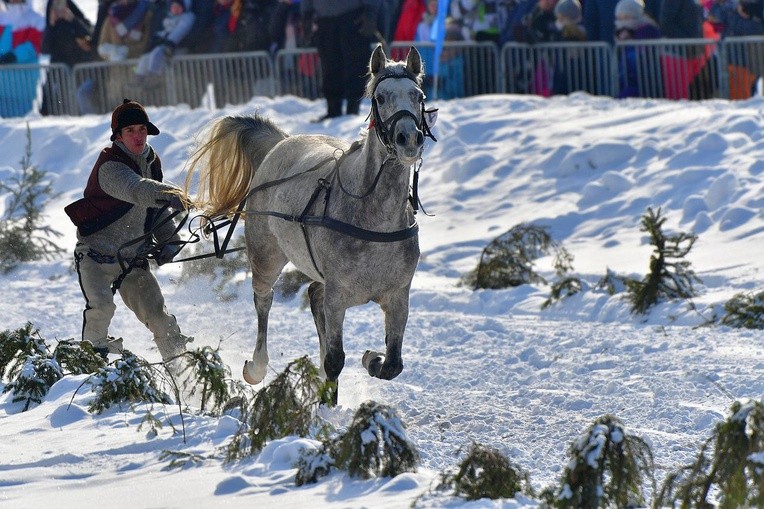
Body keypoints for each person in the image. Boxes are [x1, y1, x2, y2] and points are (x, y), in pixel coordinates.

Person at [65, 99, 192, 362]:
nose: (138, 136)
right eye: (130, 131)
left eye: (142, 129)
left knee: (159, 317)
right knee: (100, 309)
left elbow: (156, 210)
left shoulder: (152, 161)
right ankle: (91, 371)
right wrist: (171, 193)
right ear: (118, 136)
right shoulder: (110, 166)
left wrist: (170, 240)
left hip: (132, 259)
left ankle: (182, 367)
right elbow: (137, 190)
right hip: (95, 257)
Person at [301, 0, 380, 120]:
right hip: (324, 20)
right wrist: (306, 14)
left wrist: (370, 11)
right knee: (329, 66)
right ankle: (333, 109)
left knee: (355, 65)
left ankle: (353, 109)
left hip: (352, 17)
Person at [41, 0, 100, 115]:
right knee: (57, 104)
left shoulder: (76, 19)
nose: (59, 7)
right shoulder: (51, 27)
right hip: (58, 73)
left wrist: (73, 20)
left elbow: (90, 35)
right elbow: (44, 49)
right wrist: (51, 25)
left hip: (79, 71)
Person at [0, 0, 45, 117]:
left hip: (23, 88)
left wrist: (14, 56)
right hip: (2, 87)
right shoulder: (2, 19)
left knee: (21, 128)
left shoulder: (35, 20)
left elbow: (35, 46)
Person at [133, 0, 194, 86]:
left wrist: (169, 42)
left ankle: (154, 77)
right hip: (166, 43)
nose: (175, 9)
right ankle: (139, 77)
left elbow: (180, 31)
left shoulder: (187, 17)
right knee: (145, 56)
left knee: (156, 53)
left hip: (178, 45)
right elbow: (164, 31)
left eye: (178, 7)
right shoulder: (169, 17)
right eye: (173, 7)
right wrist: (156, 39)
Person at [613, 0, 661, 97]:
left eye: (627, 17)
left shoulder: (647, 30)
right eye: (620, 18)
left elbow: (639, 59)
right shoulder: (623, 31)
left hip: (644, 81)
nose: (623, 22)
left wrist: (629, 38)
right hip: (627, 79)